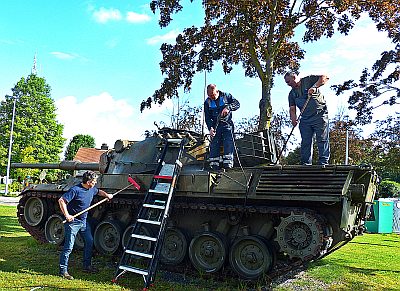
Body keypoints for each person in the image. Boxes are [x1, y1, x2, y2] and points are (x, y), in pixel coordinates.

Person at [58, 170, 113, 280]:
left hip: (83, 222)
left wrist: (107, 195)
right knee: (69, 247)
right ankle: (63, 271)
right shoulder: (75, 190)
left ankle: (86, 266)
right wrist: (67, 215)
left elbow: (99, 192)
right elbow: (61, 200)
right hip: (73, 223)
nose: (95, 183)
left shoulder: (91, 189)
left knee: (89, 241)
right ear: (88, 182)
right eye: (94, 181)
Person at [284, 72, 330, 165]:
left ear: (294, 77)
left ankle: (323, 162)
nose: (288, 84)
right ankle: (306, 163)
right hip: (305, 119)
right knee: (305, 141)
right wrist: (293, 120)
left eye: (288, 82)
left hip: (320, 115)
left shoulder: (308, 80)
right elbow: (292, 109)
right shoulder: (291, 94)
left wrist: (314, 87)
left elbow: (325, 77)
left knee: (322, 139)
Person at [204, 84, 240, 170]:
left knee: (228, 142)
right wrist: (210, 128)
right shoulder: (207, 102)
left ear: (217, 91)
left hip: (227, 125)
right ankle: (214, 165)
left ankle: (228, 164)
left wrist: (228, 107)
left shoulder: (226, 96)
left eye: (213, 95)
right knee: (214, 144)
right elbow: (207, 118)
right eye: (210, 96)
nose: (211, 97)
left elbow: (237, 104)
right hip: (215, 126)